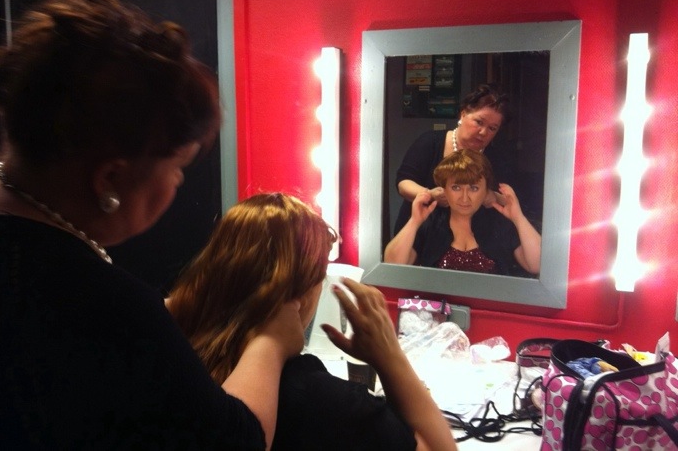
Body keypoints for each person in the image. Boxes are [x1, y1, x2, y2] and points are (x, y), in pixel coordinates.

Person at [0, 0, 305, 449]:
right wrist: (272, 342)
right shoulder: (98, 305)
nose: (178, 183)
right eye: (177, 166)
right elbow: (235, 441)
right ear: (110, 178)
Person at [167, 193, 458, 451]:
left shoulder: (176, 352)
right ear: (302, 294)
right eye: (321, 276)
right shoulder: (321, 400)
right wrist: (390, 356)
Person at [385, 150, 541, 276]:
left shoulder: (499, 223)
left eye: (474, 188)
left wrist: (519, 218)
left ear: (486, 190)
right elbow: (392, 266)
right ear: (444, 189)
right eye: (456, 188)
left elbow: (537, 265)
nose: (464, 198)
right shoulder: (430, 221)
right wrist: (414, 222)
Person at [393, 83, 511, 235]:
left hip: (471, 237)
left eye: (492, 128)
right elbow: (403, 183)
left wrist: (493, 196)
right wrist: (429, 195)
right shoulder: (430, 142)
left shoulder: (498, 157)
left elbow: (509, 199)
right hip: (421, 231)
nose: (483, 132)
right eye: (479, 122)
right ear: (463, 114)